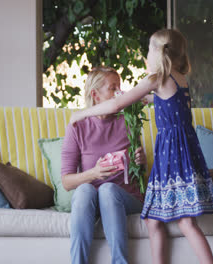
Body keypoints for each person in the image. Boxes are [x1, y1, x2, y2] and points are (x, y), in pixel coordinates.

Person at [69, 29, 213, 264]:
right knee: (154, 220)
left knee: (185, 222)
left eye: (149, 49)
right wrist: (140, 97)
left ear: (160, 53)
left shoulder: (156, 79)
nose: (146, 55)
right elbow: (160, 101)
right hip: (184, 153)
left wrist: (80, 114)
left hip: (172, 155)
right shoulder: (178, 79)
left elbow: (116, 105)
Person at [61, 66, 147, 264]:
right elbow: (66, 182)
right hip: (91, 199)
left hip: (126, 197)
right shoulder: (77, 127)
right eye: (112, 88)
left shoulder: (128, 121)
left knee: (108, 190)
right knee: (83, 191)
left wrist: (140, 161)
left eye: (120, 87)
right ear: (95, 95)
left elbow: (139, 172)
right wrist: (94, 173)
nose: (119, 93)